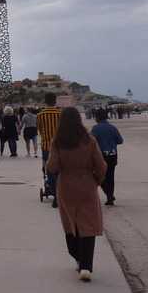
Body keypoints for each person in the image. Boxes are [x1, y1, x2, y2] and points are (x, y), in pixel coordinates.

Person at [46, 107, 108, 282]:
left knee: (70, 222)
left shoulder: (57, 142)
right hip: (87, 184)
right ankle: (86, 266)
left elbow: (52, 167)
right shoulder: (90, 140)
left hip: (66, 186)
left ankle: (78, 257)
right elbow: (102, 165)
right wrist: (97, 180)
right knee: (88, 224)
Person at [90, 108, 124, 206]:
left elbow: (90, 141)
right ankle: (110, 196)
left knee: (99, 176)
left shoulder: (95, 128)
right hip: (113, 155)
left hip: (101, 156)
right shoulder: (112, 127)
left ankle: (109, 194)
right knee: (110, 176)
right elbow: (120, 141)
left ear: (97, 117)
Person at [37, 93, 62, 208]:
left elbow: (40, 131)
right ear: (55, 101)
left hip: (46, 146)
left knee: (49, 169)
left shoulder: (40, 115)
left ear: (45, 101)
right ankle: (60, 190)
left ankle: (53, 189)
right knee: (61, 169)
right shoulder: (60, 114)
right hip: (61, 146)